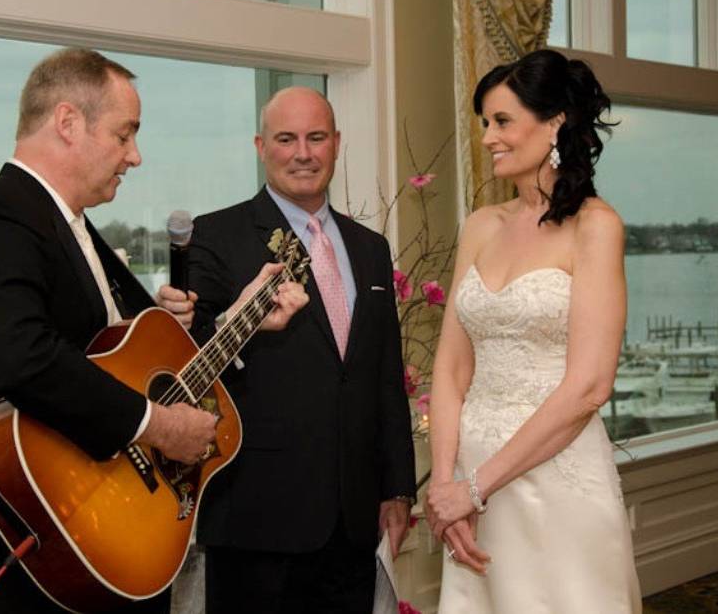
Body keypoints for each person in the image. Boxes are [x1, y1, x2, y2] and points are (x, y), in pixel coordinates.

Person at [0, 48, 307, 613]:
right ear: (68, 122)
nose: (135, 156)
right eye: (124, 135)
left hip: (90, 555)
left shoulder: (76, 232)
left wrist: (235, 322)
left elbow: (120, 368)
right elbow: (19, 355)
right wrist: (158, 425)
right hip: (23, 564)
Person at [157, 86, 416, 613]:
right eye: (286, 139)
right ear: (260, 146)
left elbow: (384, 375)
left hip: (352, 520)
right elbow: (189, 366)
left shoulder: (370, 248)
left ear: (337, 144)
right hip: (258, 518)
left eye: (316, 137)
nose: (303, 152)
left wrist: (397, 487)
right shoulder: (213, 237)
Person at [424, 49, 642, 612]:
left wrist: (477, 486)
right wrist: (447, 485)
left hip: (555, 474)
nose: (488, 138)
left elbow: (590, 386)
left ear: (554, 123)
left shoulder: (596, 227)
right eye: (484, 124)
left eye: (501, 121)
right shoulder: (480, 225)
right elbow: (450, 369)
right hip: (470, 475)